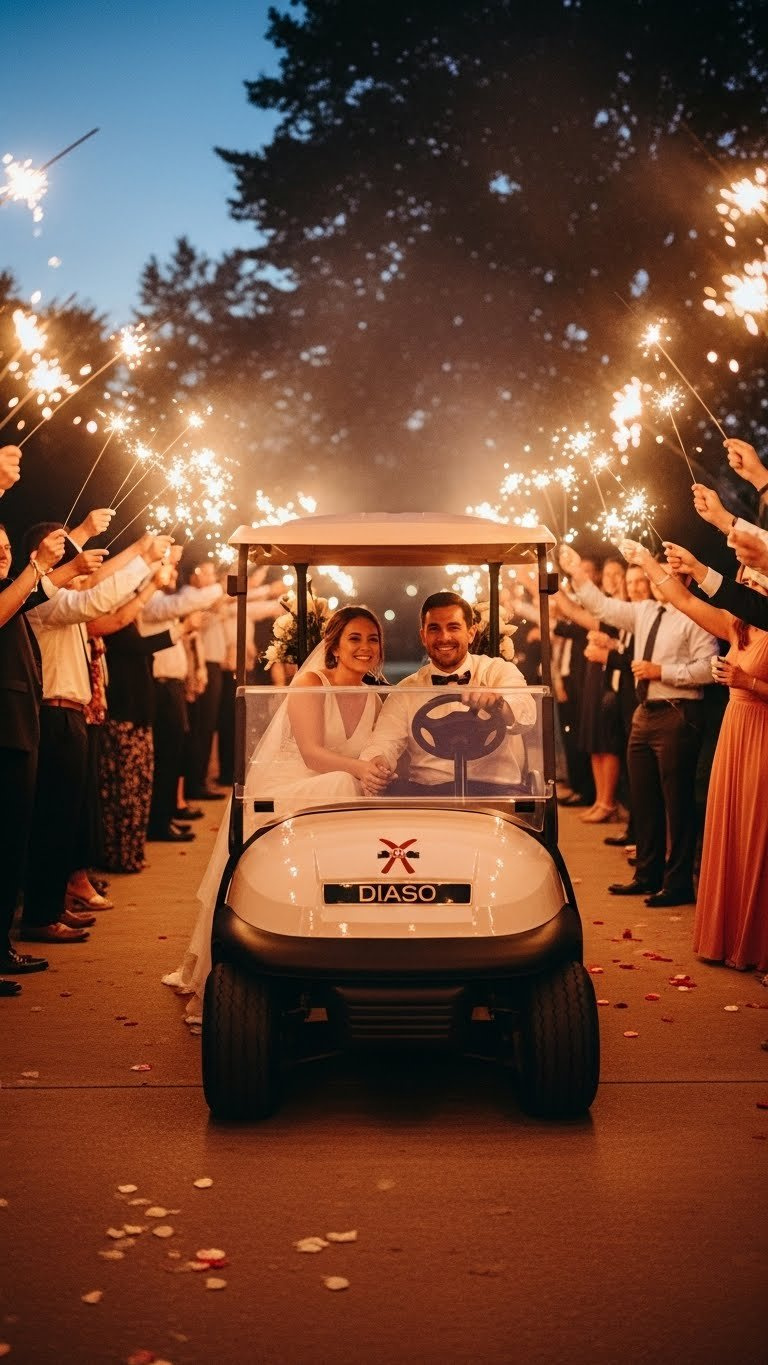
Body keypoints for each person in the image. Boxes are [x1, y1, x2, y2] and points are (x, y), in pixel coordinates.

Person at [163, 605, 389, 1021]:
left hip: (340, 789)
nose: (365, 647)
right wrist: (360, 770)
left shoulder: (376, 695)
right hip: (290, 789)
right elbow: (313, 755)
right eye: (354, 638)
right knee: (344, 784)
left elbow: (376, 752)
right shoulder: (310, 683)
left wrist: (378, 768)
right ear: (334, 644)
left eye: (372, 639)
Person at [559, 543, 718, 907]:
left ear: (683, 579)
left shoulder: (697, 616)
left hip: (678, 713)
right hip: (644, 713)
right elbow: (603, 608)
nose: (655, 580)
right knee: (644, 799)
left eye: (664, 575)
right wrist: (577, 574)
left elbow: (709, 667)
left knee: (676, 802)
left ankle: (678, 883)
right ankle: (647, 875)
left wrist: (664, 672)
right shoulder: (646, 611)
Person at [635, 539, 768, 972]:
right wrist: (647, 561)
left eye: (748, 579)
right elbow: (685, 601)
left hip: (762, 732)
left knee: (757, 833)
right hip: (736, 728)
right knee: (731, 826)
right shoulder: (738, 626)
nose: (742, 583)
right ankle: (731, 937)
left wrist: (747, 682)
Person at [359, 591, 536, 796]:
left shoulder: (498, 671)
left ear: (471, 633)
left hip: (495, 790)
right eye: (434, 629)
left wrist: (498, 704)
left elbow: (526, 714)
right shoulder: (406, 691)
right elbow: (383, 742)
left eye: (453, 627)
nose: (444, 637)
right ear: (423, 636)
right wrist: (377, 761)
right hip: (429, 793)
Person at [0, 522, 67, 994]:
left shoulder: (15, 591)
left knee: (11, 846)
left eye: (6, 547)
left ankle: (1, 945)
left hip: (19, 727)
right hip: (3, 732)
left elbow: (52, 588)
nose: (4, 555)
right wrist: (37, 563)